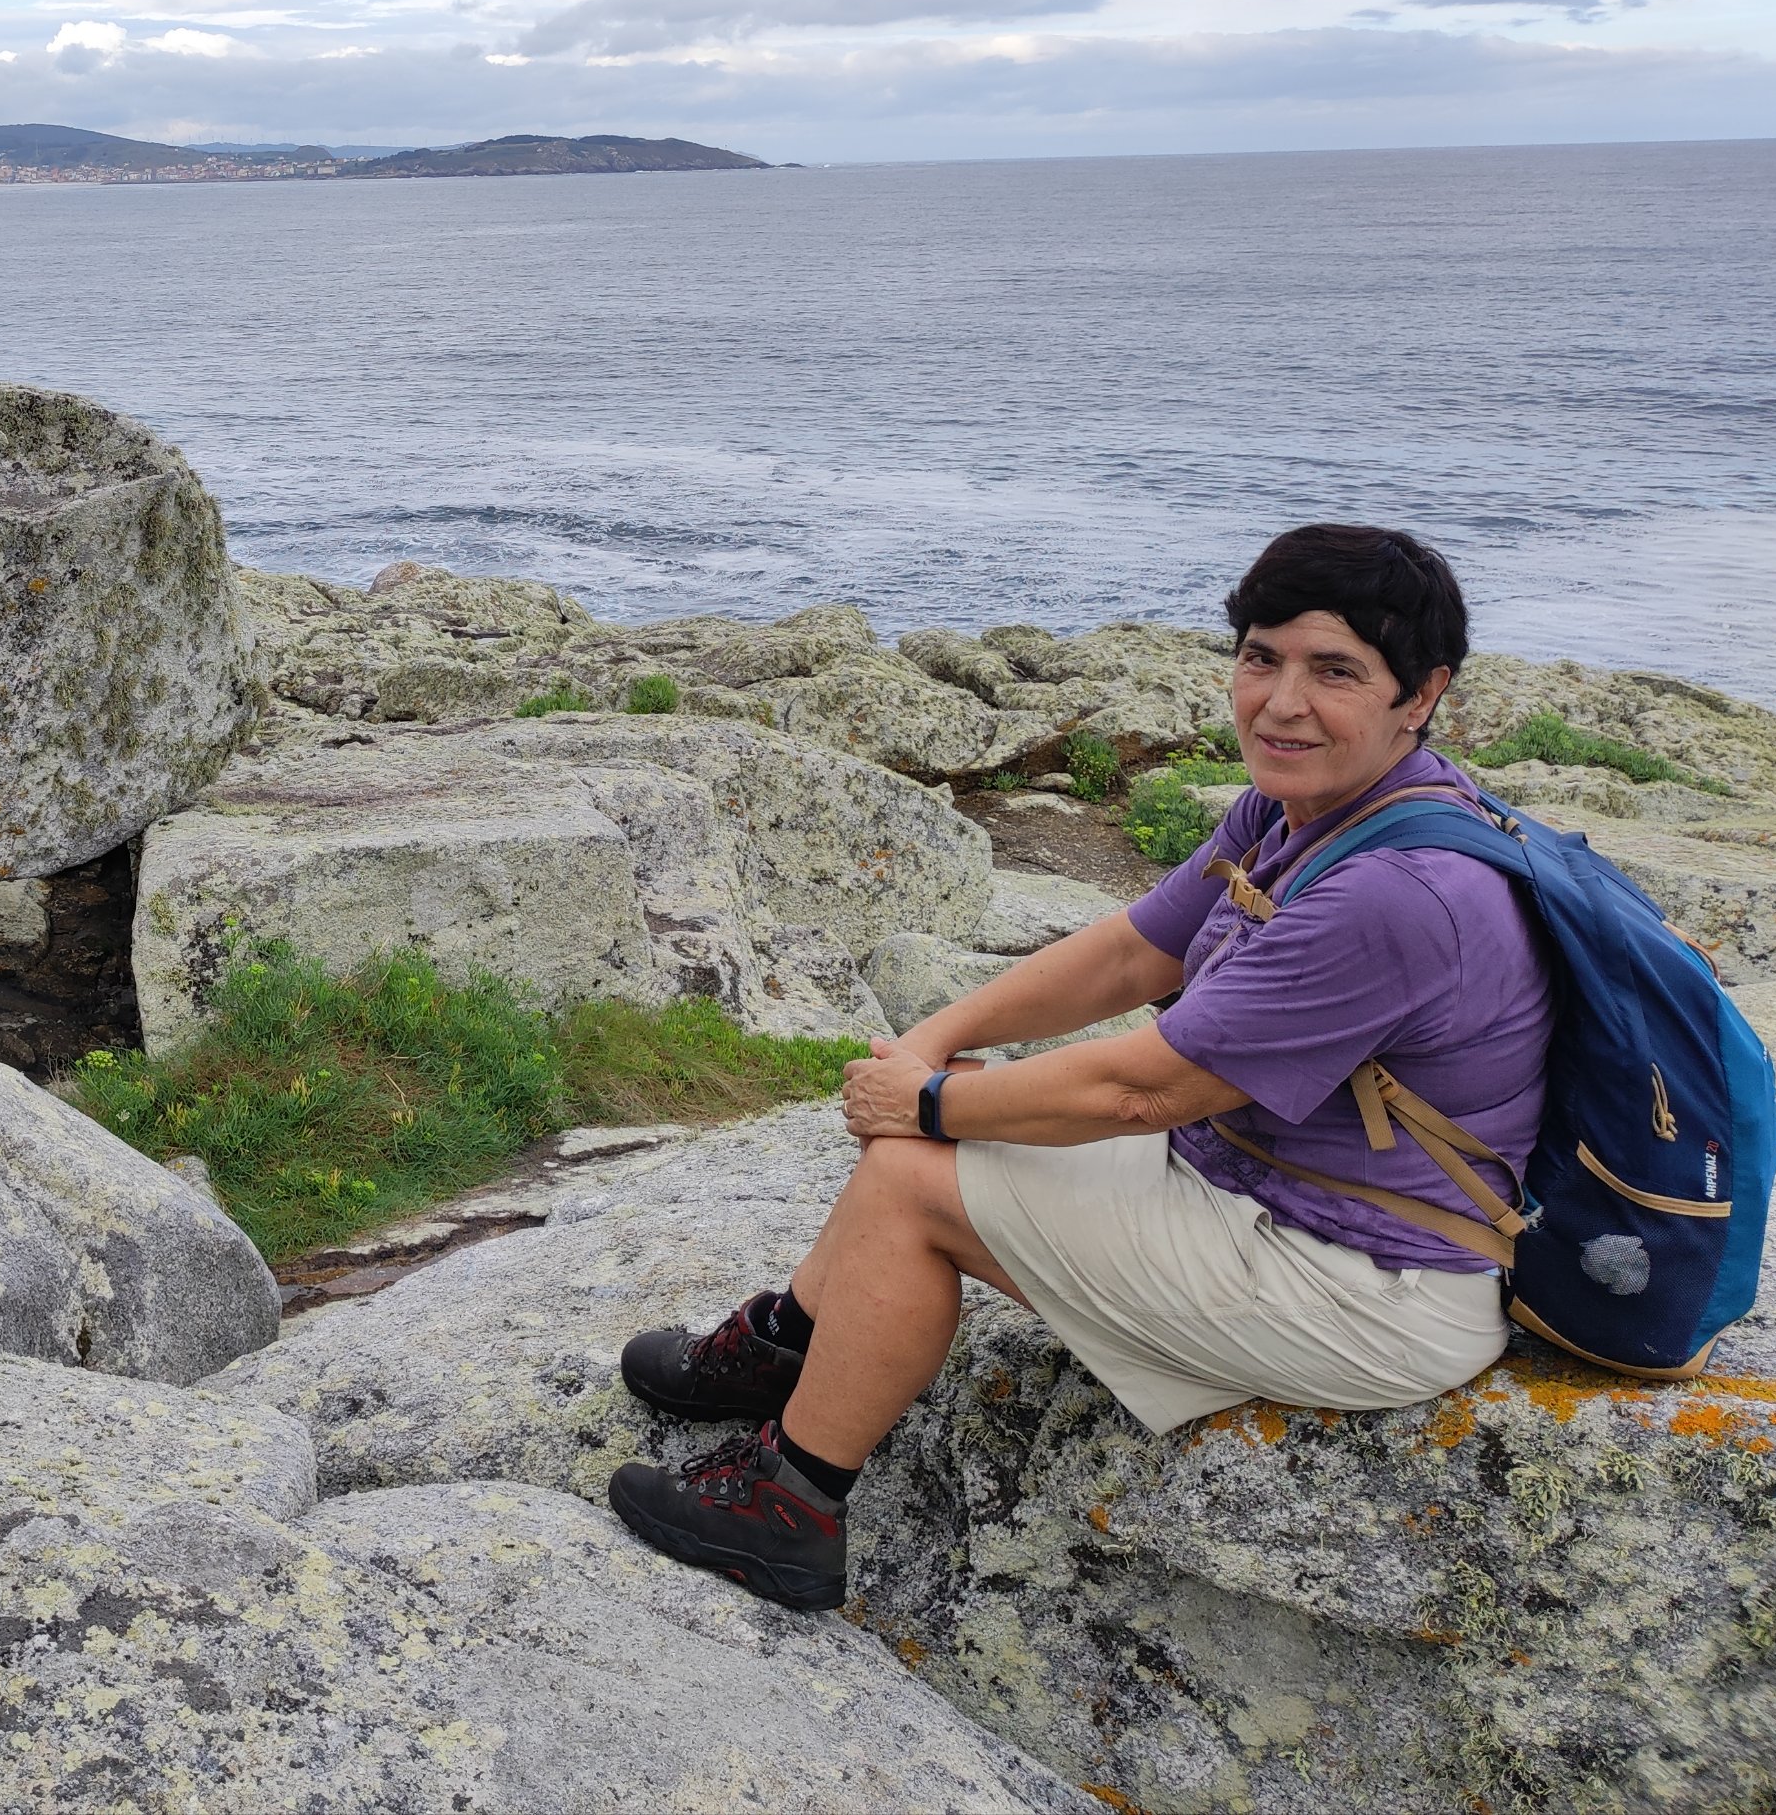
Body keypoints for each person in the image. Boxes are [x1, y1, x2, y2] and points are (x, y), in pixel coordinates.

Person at [608, 525, 1551, 1610]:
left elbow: (1143, 1091)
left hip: (1369, 1287)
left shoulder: (1398, 892)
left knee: (915, 1174)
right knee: (938, 1135)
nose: (1281, 703)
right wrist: (933, 1042)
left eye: (1334, 671)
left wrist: (928, 1099)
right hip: (1265, 1191)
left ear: (1421, 695)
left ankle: (789, 1510)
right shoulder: (1309, 805)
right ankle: (793, 1343)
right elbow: (1133, 950)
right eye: (1261, 657)